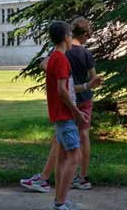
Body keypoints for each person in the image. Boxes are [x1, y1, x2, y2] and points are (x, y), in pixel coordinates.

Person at [21, 18, 103, 193]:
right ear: (85, 35)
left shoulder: (61, 53)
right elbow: (93, 78)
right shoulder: (84, 54)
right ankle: (82, 177)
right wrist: (88, 84)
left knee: (60, 140)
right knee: (83, 136)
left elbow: (46, 67)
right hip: (83, 97)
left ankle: (46, 179)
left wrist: (55, 73)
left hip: (69, 100)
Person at [44, 21, 85, 210]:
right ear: (67, 37)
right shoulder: (61, 59)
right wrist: (76, 112)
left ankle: (60, 199)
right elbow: (62, 91)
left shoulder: (54, 57)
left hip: (59, 114)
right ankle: (60, 205)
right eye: (71, 34)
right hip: (64, 115)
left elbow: (63, 89)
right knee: (74, 156)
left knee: (62, 158)